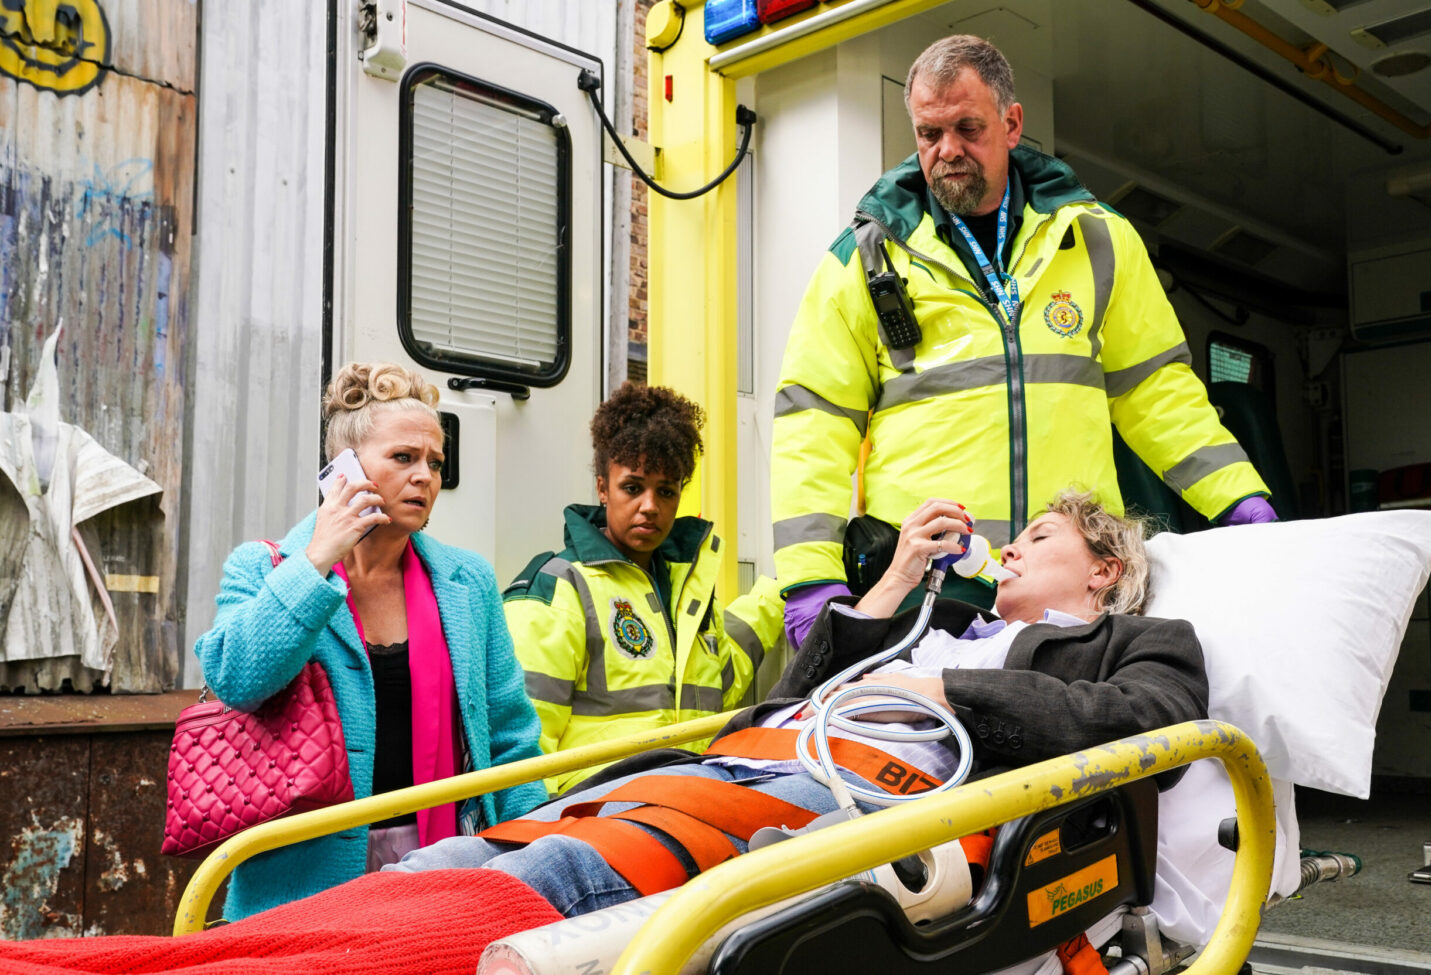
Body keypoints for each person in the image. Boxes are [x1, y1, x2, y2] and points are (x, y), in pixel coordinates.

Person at [389, 491, 1215, 944]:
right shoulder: (947, 623)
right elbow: (796, 693)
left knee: (556, 873)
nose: (1010, 547)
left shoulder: (1138, 640)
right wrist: (896, 579)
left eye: (1039, 535)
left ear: (1105, 568)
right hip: (747, 761)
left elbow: (1156, 723)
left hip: (863, 788)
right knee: (472, 849)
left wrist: (945, 694)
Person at [772, 34, 1276, 646]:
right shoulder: (864, 258)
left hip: (1072, 590)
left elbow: (1155, 391)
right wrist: (808, 579)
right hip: (934, 589)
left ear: (1012, 124)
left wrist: (1239, 500)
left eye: (967, 127)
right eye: (929, 135)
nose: (947, 150)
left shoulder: (1097, 240)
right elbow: (814, 423)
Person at [195, 362, 546, 920]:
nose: (425, 477)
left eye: (435, 462)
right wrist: (316, 562)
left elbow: (509, 735)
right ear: (343, 471)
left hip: (445, 863)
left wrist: (539, 853)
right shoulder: (265, 567)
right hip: (304, 878)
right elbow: (237, 679)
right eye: (403, 458)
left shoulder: (466, 581)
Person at [504, 382, 784, 794]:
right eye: (633, 487)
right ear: (603, 488)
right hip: (587, 817)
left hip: (685, 803)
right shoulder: (559, 587)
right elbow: (521, 741)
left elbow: (725, 675)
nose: (650, 505)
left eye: (666, 491)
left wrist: (787, 589)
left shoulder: (687, 588)